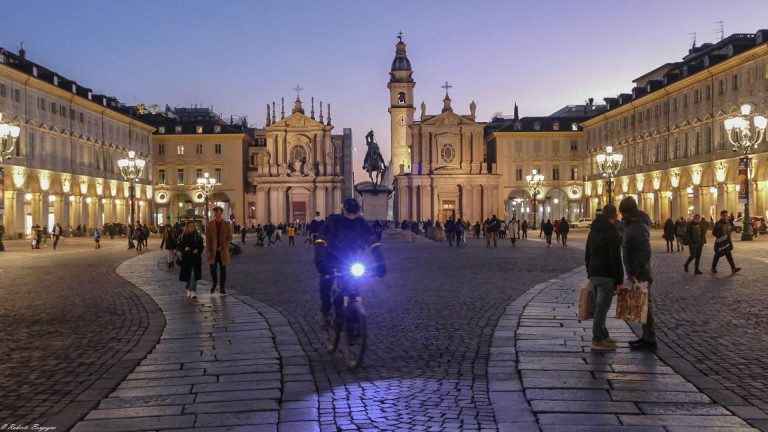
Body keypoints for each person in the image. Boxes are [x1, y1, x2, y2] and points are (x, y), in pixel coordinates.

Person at [314, 197, 386, 321]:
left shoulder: (361, 224)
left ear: (357, 212)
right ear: (344, 211)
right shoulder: (333, 221)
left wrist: (380, 264)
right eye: (349, 213)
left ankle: (353, 318)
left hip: (352, 260)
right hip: (332, 258)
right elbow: (321, 239)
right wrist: (320, 261)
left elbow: (373, 243)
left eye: (354, 213)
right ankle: (325, 309)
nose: (352, 216)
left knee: (354, 283)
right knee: (326, 281)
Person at [619, 196, 656, 351]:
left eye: (623, 213)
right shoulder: (632, 224)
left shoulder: (639, 227)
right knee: (642, 305)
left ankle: (650, 340)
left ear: (629, 213)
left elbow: (645, 251)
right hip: (636, 271)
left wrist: (633, 271)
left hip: (640, 272)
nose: (621, 216)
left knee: (645, 305)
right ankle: (646, 337)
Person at [585, 204, 624, 352]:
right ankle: (597, 339)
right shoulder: (611, 233)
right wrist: (619, 280)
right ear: (614, 216)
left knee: (600, 307)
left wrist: (589, 271)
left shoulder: (593, 232)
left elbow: (587, 254)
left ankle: (604, 335)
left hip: (594, 273)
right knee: (601, 308)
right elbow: (615, 258)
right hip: (606, 275)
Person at [206, 206, 233, 295]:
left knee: (223, 270)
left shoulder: (226, 224)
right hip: (213, 251)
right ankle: (214, 283)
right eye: (215, 212)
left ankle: (222, 287)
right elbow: (208, 239)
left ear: (222, 213)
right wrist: (208, 251)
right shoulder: (210, 224)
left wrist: (223, 246)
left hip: (223, 251)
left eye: (218, 212)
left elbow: (229, 238)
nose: (216, 213)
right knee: (212, 270)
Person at [178, 221, 204, 298]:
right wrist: (184, 248)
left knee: (194, 274)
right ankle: (189, 289)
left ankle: (193, 290)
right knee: (189, 275)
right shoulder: (183, 236)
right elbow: (179, 246)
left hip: (196, 258)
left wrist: (198, 250)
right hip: (187, 259)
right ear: (187, 227)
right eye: (190, 226)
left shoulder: (198, 236)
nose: (192, 227)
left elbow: (201, 246)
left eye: (193, 226)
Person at [711, 210, 741, 274]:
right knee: (717, 255)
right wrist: (721, 236)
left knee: (729, 255)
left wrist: (733, 228)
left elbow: (730, 230)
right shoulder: (718, 223)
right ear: (721, 216)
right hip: (720, 242)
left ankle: (733, 268)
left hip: (727, 242)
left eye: (726, 215)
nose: (725, 216)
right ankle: (713, 268)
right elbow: (714, 232)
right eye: (724, 215)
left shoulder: (728, 223)